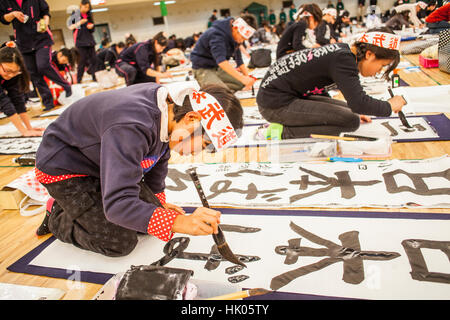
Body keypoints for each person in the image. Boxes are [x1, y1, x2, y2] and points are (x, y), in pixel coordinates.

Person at [34, 83, 244, 257]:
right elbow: (118, 205)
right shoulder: (132, 125)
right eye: (205, 144)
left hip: (102, 162)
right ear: (192, 118)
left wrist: (159, 205)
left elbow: (157, 164)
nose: (200, 152)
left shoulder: (170, 111)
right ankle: (58, 214)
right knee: (118, 242)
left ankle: (91, 202)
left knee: (147, 219)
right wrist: (179, 222)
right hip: (67, 168)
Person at [256, 27, 406, 140]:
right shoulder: (345, 61)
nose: (378, 72)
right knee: (351, 121)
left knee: (350, 113)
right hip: (274, 105)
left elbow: (318, 83)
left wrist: (334, 113)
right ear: (369, 55)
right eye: (382, 66)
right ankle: (283, 132)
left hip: (284, 95)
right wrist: (389, 106)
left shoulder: (343, 53)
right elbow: (359, 103)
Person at [0, 0, 72, 112]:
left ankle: (66, 85)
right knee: (33, 73)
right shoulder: (5, 2)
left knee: (43, 65)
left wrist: (45, 22)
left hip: (41, 38)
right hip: (23, 42)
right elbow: (3, 19)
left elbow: (45, 12)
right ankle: (48, 102)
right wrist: (13, 14)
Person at [190, 15, 257, 93]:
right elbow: (221, 62)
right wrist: (243, 78)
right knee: (221, 94)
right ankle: (210, 86)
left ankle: (216, 84)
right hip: (202, 68)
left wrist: (247, 77)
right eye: (242, 38)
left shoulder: (234, 37)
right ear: (235, 28)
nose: (241, 41)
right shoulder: (217, 35)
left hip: (216, 67)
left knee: (241, 84)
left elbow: (239, 59)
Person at [0, 43, 44, 137]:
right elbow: (3, 101)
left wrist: (29, 128)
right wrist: (23, 131)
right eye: (7, 71)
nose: (11, 75)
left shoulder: (12, 74)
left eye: (15, 72)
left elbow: (17, 99)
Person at [68, 0, 97, 83]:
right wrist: (80, 22)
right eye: (85, 7)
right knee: (82, 61)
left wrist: (91, 27)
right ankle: (79, 80)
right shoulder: (75, 14)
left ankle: (95, 77)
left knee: (94, 60)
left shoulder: (89, 15)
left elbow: (92, 29)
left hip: (90, 41)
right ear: (81, 5)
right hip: (80, 41)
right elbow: (70, 27)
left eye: (88, 7)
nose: (87, 9)